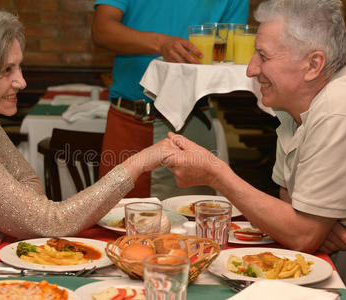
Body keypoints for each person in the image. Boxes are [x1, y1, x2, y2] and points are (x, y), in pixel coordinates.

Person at [0, 8, 170, 299]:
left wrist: (3, 215)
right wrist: (137, 163)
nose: (21, 82)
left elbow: (29, 181)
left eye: (19, 67)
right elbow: (52, 221)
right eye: (6, 71)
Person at [163, 0, 346, 297]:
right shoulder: (291, 110)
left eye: (262, 56)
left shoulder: (340, 107)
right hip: (322, 272)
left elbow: (301, 233)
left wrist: (216, 173)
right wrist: (309, 227)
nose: (250, 70)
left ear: (313, 64)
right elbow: (290, 208)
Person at [92, 0, 249, 199]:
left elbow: (231, 49)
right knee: (115, 219)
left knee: (191, 219)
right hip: (131, 120)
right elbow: (101, 29)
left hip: (192, 124)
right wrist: (161, 43)